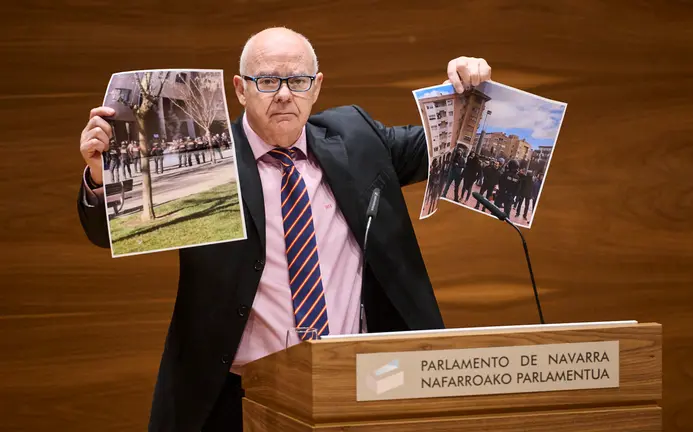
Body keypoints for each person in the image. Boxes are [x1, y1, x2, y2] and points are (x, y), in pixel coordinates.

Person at [76, 27, 492, 431]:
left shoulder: (356, 138)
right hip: (236, 397)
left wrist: (468, 92)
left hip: (359, 385)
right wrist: (99, 175)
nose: (283, 94)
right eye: (267, 81)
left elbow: (449, 148)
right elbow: (106, 231)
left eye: (297, 81)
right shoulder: (211, 160)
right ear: (240, 89)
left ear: (316, 86)